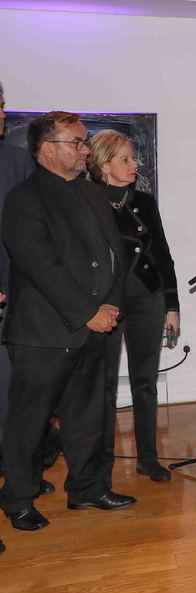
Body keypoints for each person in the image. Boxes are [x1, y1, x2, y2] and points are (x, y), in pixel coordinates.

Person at [0, 111, 136, 532]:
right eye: (76, 143)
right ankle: (18, 499)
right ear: (48, 149)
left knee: (90, 415)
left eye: (83, 142)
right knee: (30, 421)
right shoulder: (24, 199)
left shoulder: (92, 193)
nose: (83, 150)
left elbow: (113, 253)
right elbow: (41, 266)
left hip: (97, 326)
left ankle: (88, 489)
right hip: (44, 331)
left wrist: (110, 307)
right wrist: (87, 313)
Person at [88, 130, 179, 483]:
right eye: (125, 159)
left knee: (146, 381)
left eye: (133, 158)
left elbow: (163, 256)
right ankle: (103, 465)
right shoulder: (88, 200)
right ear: (103, 163)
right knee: (104, 384)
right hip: (105, 303)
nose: (134, 164)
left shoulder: (144, 201)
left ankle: (148, 458)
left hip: (148, 297)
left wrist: (171, 305)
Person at [0, 82, 35, 478]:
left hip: (14, 306)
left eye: (5, 106)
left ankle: (19, 480)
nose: (4, 114)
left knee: (14, 400)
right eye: (0, 106)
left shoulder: (16, 162)